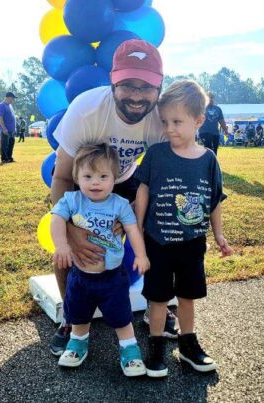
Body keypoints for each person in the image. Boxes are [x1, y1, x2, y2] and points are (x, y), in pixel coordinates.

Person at [50, 39, 177, 357]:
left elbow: (168, 179)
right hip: (87, 178)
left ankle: (156, 306)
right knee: (69, 246)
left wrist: (136, 211)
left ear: (159, 88)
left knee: (161, 233)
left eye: (146, 87)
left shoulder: (163, 118)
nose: (136, 95)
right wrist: (72, 228)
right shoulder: (87, 108)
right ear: (113, 81)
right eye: (128, 85)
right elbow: (63, 176)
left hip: (128, 178)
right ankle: (71, 316)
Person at [135, 80, 233, 377]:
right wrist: (136, 228)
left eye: (177, 121)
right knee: (159, 296)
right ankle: (155, 345)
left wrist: (218, 234)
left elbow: (214, 200)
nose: (169, 128)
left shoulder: (209, 160)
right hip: (158, 241)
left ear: (199, 121)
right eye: (165, 122)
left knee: (188, 295)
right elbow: (143, 191)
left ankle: (188, 344)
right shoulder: (156, 154)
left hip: (192, 243)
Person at [52, 143, 149, 376]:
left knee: (121, 315)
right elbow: (56, 219)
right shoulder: (72, 200)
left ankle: (129, 349)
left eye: (103, 176)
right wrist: (62, 245)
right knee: (78, 313)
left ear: (115, 178)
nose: (95, 182)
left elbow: (133, 229)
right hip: (80, 275)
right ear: (76, 176)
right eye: (88, 176)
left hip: (112, 277)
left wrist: (141, 254)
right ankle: (77, 342)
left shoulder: (120, 204)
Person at [0, 91, 17, 163]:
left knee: (11, 143)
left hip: (12, 130)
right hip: (6, 129)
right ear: (8, 98)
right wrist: (4, 128)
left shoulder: (10, 105)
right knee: (4, 144)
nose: (13, 100)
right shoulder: (2, 105)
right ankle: (4, 158)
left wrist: (14, 128)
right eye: (12, 98)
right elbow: (0, 117)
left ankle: (9, 157)